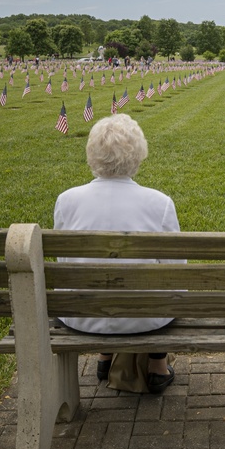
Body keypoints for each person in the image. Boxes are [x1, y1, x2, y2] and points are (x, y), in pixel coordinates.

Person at [53, 113, 179, 393]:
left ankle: (104, 357)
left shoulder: (66, 201)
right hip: (145, 319)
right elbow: (175, 270)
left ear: (93, 154)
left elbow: (65, 263)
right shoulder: (160, 204)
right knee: (166, 286)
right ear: (138, 154)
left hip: (80, 315)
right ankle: (157, 366)